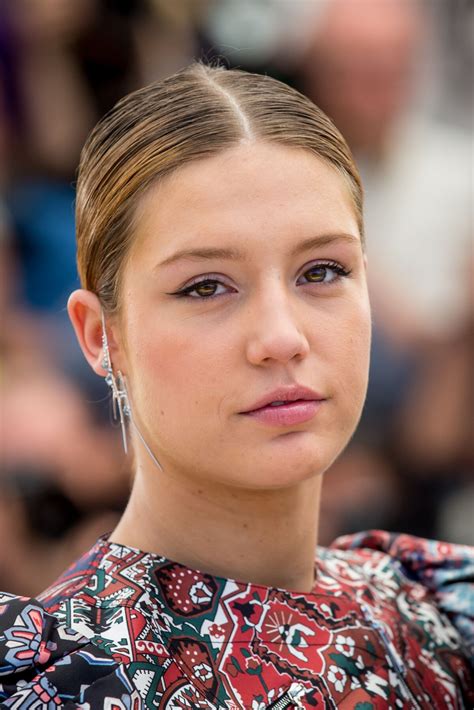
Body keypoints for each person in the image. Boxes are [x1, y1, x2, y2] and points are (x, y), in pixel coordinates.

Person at [0, 63, 472, 709]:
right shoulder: (62, 680)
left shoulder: (437, 616)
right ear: (99, 336)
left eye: (322, 271)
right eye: (205, 286)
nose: (281, 336)